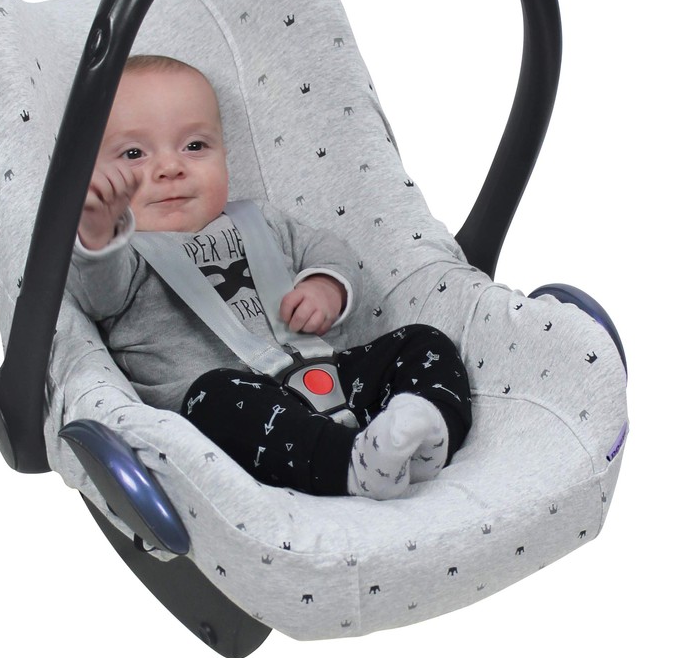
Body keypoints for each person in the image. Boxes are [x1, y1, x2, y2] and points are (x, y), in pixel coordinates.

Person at [66, 54, 472, 499]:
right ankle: (350, 466)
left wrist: (326, 286)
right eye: (133, 154)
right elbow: (97, 294)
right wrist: (98, 233)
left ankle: (427, 433)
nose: (170, 168)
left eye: (195, 146)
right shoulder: (123, 255)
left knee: (422, 342)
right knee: (216, 396)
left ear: (225, 153)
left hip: (330, 377)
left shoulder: (261, 221)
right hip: (235, 418)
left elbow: (325, 249)